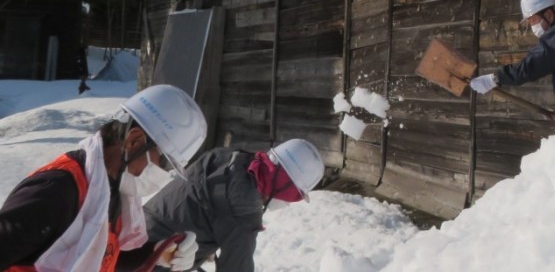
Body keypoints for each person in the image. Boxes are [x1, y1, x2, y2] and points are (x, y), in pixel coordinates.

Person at [0, 84, 207, 272]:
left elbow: (102, 256)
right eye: (164, 163)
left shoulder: (111, 193)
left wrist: (158, 252)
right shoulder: (57, 191)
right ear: (134, 141)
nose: (164, 175)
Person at [143, 138, 326, 272]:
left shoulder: (232, 158)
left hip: (137, 229)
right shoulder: (244, 208)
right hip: (155, 258)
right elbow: (237, 267)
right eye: (294, 197)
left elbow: (201, 201)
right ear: (283, 187)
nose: (288, 204)